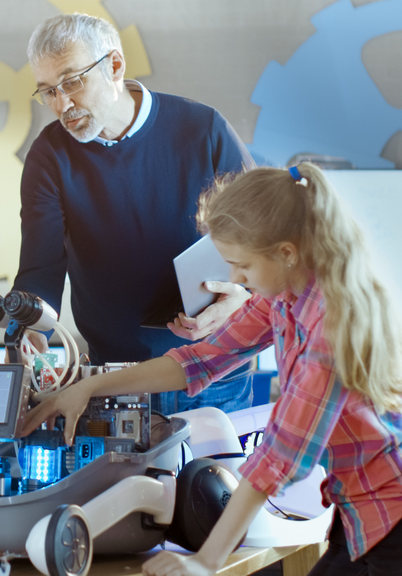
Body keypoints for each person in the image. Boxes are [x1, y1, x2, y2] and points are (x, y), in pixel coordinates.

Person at [22, 163, 402, 576]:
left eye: (242, 265)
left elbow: (282, 457)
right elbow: (199, 360)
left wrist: (207, 561)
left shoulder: (334, 323)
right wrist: (89, 387)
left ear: (286, 252)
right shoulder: (283, 300)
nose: (236, 280)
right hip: (365, 517)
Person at [14, 13, 256, 415]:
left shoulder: (203, 130)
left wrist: (244, 299)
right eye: (48, 92)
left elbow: (266, 239)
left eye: (72, 82)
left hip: (215, 371)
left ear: (114, 66)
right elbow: (40, 268)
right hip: (113, 376)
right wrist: (29, 326)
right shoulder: (49, 155)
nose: (62, 104)